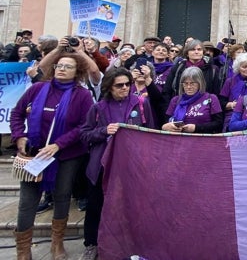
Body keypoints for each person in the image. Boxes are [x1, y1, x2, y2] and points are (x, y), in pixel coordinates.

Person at [10, 53, 94, 260]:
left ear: (77, 72)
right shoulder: (38, 88)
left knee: (62, 195)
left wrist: (59, 144)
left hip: (66, 155)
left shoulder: (82, 95)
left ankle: (57, 243)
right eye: (59, 65)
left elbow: (85, 125)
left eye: (68, 66)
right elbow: (17, 113)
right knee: (27, 201)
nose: (62, 69)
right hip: (34, 154)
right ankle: (23, 250)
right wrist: (19, 136)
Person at [79, 68, 156, 260]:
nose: (124, 88)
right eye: (119, 85)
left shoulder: (141, 103)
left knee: (132, 205)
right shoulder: (98, 108)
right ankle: (92, 243)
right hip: (102, 165)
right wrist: (104, 130)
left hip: (132, 165)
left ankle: (133, 243)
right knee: (96, 205)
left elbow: (151, 132)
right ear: (109, 87)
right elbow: (84, 134)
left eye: (127, 84)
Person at [163, 39, 221, 111]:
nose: (196, 52)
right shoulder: (178, 68)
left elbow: (216, 92)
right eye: (193, 49)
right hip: (180, 106)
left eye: (199, 49)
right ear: (187, 53)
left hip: (204, 109)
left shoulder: (212, 69)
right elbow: (168, 90)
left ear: (203, 52)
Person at [162, 67, 224, 134]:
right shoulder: (175, 100)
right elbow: (166, 122)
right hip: (178, 140)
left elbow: (219, 124)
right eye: (185, 83)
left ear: (200, 83)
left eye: (192, 83)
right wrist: (166, 126)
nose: (188, 87)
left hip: (203, 140)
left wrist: (196, 128)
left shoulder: (211, 98)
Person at [219, 52, 247, 131]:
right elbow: (221, 103)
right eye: (244, 67)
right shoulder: (230, 81)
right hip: (233, 116)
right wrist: (233, 104)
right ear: (238, 67)